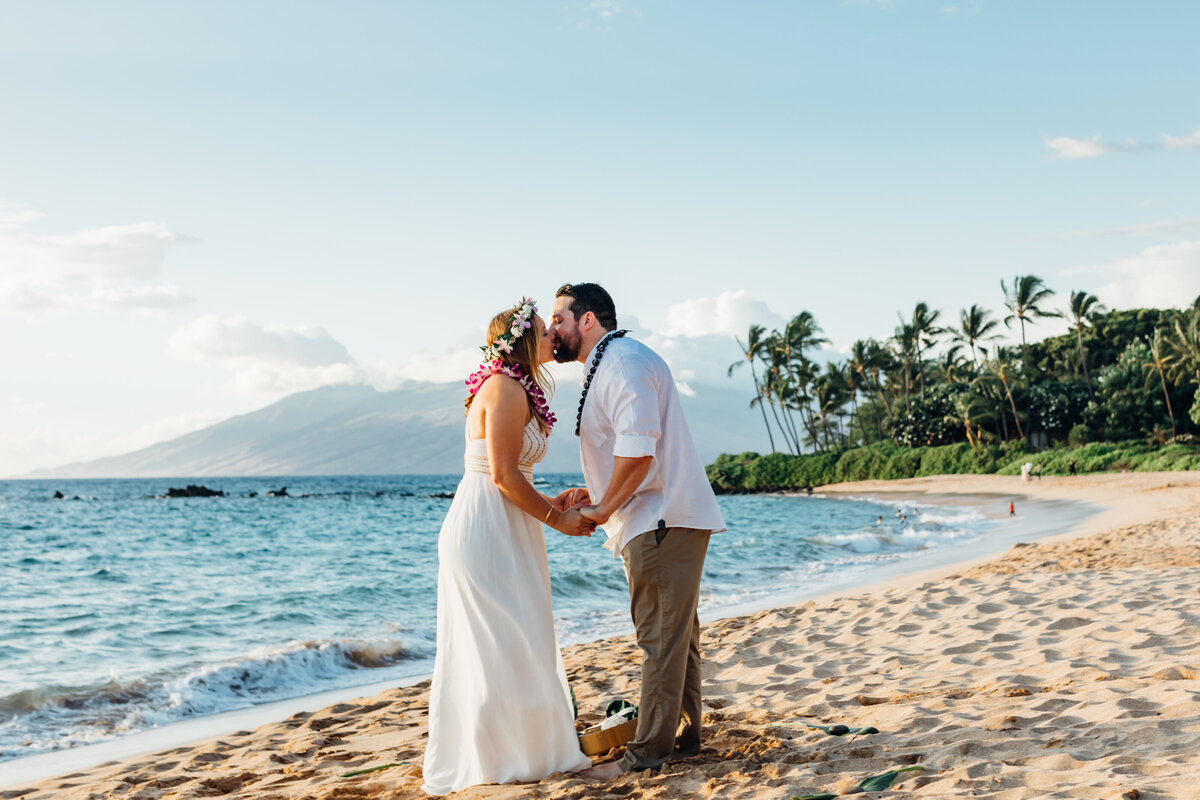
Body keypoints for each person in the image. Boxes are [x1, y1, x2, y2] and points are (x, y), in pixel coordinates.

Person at [549, 283, 725, 779]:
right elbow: (626, 451)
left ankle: (647, 753)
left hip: (660, 520)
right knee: (676, 638)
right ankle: (685, 738)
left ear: (587, 321)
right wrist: (594, 492)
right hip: (658, 517)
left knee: (660, 640)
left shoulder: (622, 361)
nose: (552, 330)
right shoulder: (611, 362)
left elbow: (641, 448)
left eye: (559, 318)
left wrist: (604, 507)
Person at [422, 298, 595, 795]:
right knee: (501, 640)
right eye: (543, 332)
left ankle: (521, 751)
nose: (551, 338)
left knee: (516, 635)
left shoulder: (513, 387)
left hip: (506, 520)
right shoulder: (503, 388)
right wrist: (558, 519)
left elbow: (511, 476)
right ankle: (507, 758)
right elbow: (498, 474)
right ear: (521, 342)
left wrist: (550, 501)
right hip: (485, 528)